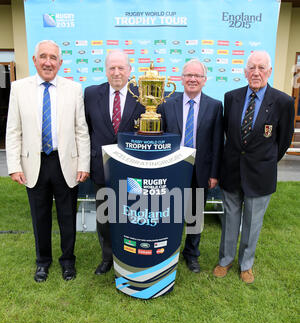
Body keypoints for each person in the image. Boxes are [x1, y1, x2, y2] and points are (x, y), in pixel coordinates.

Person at [6, 40, 90, 282]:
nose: (48, 62)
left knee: (67, 215)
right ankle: (42, 262)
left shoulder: (74, 89)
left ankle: (68, 261)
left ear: (60, 63)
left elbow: (80, 130)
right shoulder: (18, 89)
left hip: (66, 163)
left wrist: (84, 163)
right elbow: (13, 131)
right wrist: (14, 166)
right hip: (34, 163)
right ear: (34, 60)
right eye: (43, 56)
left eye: (53, 58)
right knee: (39, 215)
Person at [213, 50, 295, 284]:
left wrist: (265, 160)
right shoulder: (231, 97)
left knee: (252, 222)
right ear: (245, 71)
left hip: (261, 173)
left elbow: (284, 140)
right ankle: (225, 260)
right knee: (230, 218)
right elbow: (230, 133)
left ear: (269, 71)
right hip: (231, 170)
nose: (256, 72)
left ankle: (246, 264)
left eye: (261, 68)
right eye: (252, 67)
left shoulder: (283, 102)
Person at [158, 59, 223, 273]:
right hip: (173, 170)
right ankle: (169, 251)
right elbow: (162, 139)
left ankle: (192, 254)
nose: (193, 79)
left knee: (195, 214)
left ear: (204, 80)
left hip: (200, 170)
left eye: (197, 76)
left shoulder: (214, 106)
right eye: (188, 75)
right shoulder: (167, 104)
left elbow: (216, 143)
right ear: (181, 78)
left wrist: (214, 173)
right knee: (171, 214)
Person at [84, 50, 144, 275]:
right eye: (112, 68)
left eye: (121, 68)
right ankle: (107, 257)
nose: (116, 72)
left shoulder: (142, 95)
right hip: (102, 168)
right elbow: (88, 129)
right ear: (105, 70)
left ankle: (131, 255)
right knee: (105, 216)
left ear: (130, 70)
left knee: (133, 214)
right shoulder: (91, 94)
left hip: (134, 172)